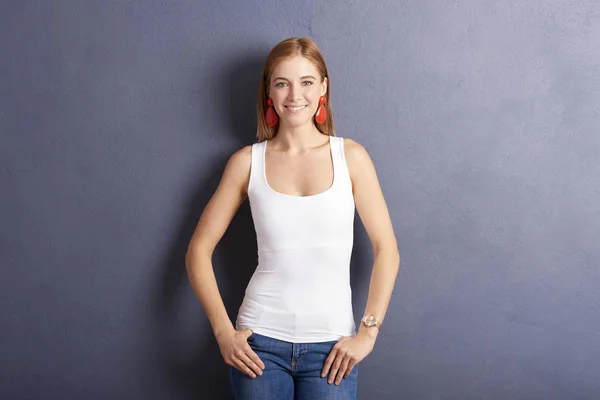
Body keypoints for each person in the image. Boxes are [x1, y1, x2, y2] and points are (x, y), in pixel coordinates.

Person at [185, 37, 400, 400]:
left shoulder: (352, 157)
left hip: (332, 347)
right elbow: (198, 251)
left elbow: (387, 250)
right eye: (282, 83)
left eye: (307, 82)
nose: (294, 95)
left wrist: (368, 334)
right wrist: (224, 333)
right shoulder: (245, 163)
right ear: (269, 91)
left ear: (323, 89)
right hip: (259, 345)